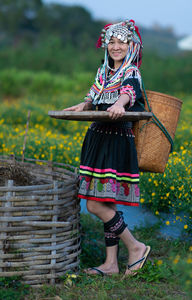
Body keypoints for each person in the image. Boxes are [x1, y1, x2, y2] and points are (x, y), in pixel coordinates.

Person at [64, 20, 151, 276]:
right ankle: (111, 263)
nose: (115, 47)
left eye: (121, 42)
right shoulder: (103, 72)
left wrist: (121, 104)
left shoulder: (131, 72)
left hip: (115, 140)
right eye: (111, 42)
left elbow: (128, 93)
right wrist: (84, 106)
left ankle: (135, 247)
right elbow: (94, 96)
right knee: (106, 203)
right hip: (97, 138)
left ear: (130, 45)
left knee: (95, 205)